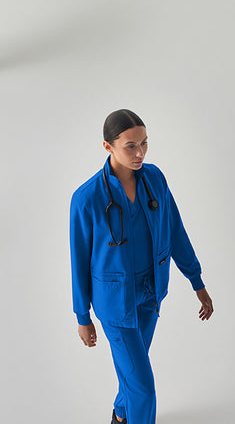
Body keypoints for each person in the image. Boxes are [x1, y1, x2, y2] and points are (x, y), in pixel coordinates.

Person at [70, 109, 214, 424]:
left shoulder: (155, 180)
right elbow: (78, 262)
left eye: (144, 144)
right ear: (107, 147)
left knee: (134, 375)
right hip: (116, 306)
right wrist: (82, 317)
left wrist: (197, 281)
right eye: (130, 146)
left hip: (150, 297)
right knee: (144, 391)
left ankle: (121, 415)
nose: (140, 153)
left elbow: (175, 231)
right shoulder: (86, 199)